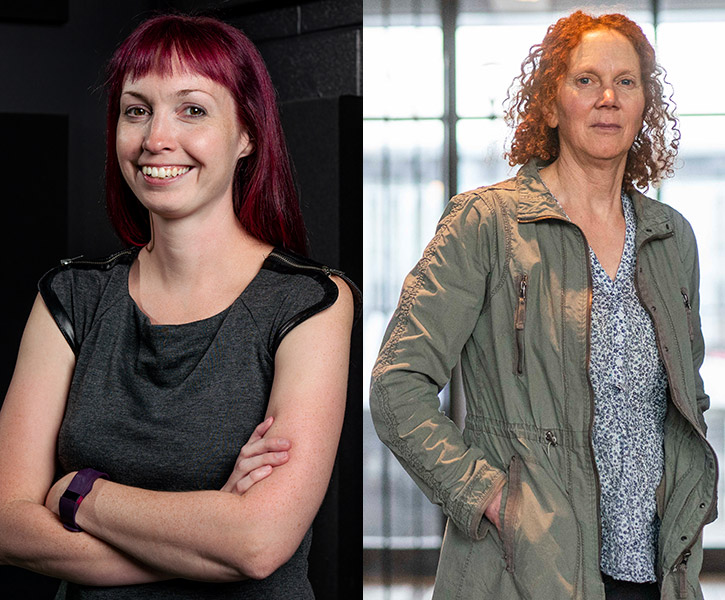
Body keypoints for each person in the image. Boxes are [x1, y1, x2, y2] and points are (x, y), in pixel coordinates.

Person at [0, 13, 358, 600]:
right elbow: (10, 525)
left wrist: (80, 494)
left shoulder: (310, 301)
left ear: (247, 134)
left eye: (192, 110)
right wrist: (209, 531)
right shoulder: (70, 298)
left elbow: (261, 543)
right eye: (136, 110)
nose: (155, 139)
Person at [370, 10, 717, 600]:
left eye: (626, 82)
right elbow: (395, 385)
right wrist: (490, 499)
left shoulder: (670, 237)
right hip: (527, 568)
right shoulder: (487, 223)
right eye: (585, 80)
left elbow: (685, 401)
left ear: (643, 109)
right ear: (550, 105)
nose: (607, 97)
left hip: (655, 574)